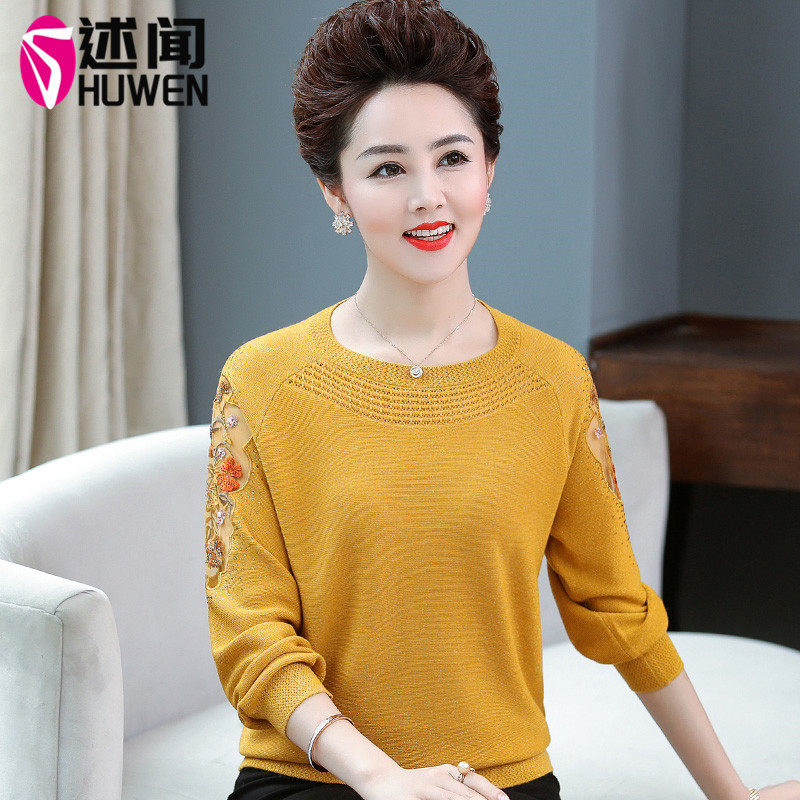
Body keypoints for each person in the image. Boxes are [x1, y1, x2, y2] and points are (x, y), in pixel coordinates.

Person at [206, 2, 791, 800]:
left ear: (490, 171)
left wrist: (733, 795)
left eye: (452, 158)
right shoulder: (262, 380)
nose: (428, 196)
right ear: (334, 191)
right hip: (312, 777)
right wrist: (381, 777)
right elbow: (249, 632)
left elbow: (618, 609)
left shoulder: (553, 381)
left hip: (497, 783)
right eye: (387, 169)